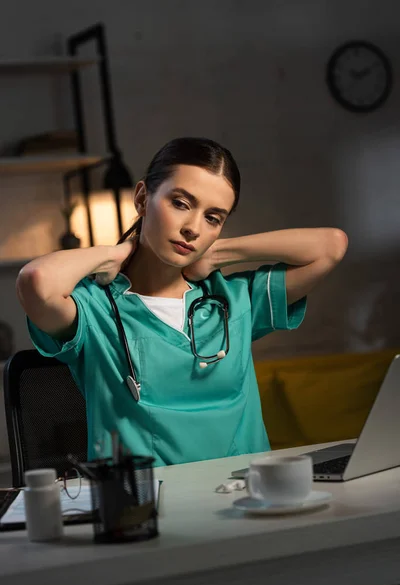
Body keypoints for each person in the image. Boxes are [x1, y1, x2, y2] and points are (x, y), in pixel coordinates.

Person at [16, 137, 348, 467]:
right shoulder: (96, 309)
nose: (193, 228)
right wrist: (114, 254)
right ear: (143, 198)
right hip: (148, 509)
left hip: (247, 501)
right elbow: (37, 282)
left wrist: (218, 253)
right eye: (181, 203)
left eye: (213, 218)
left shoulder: (234, 299)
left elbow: (331, 246)